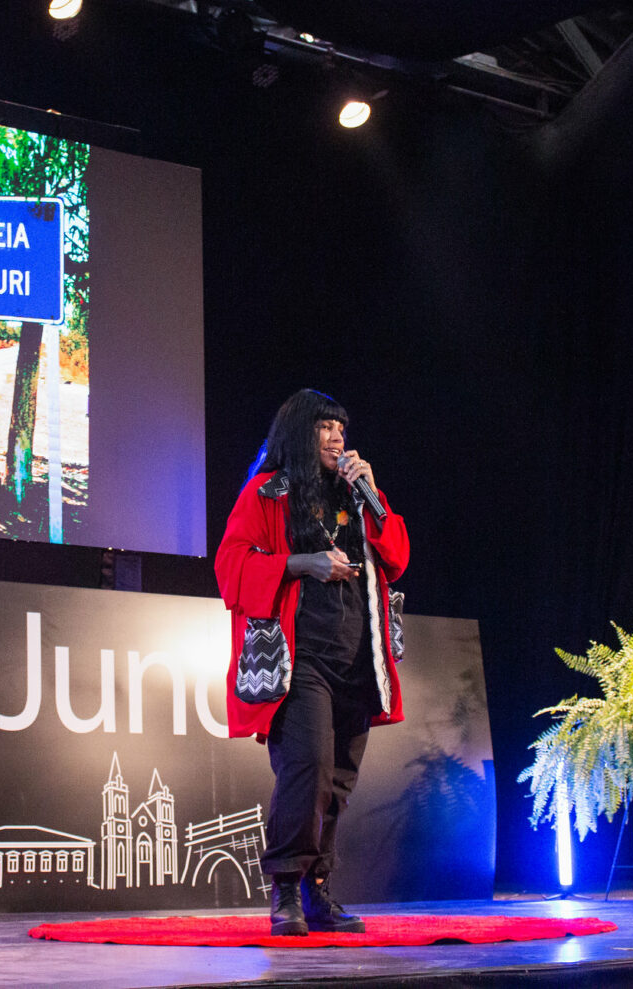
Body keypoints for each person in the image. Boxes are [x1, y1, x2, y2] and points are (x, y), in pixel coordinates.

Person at [214, 388, 409, 936]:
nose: (337, 436)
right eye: (325, 427)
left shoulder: (357, 492)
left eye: (342, 429)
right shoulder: (268, 492)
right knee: (308, 770)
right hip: (299, 660)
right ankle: (284, 890)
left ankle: (318, 891)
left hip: (357, 657)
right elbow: (230, 566)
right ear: (300, 433)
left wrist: (371, 494)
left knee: (340, 780)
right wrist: (304, 563)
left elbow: (398, 557)